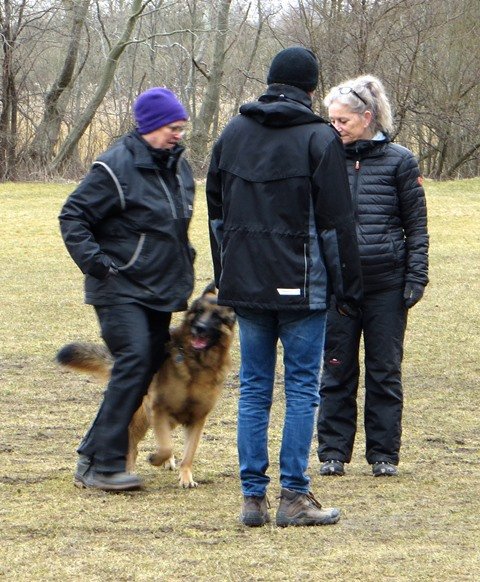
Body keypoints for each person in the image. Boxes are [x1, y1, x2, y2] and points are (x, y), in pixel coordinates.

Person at [206, 47, 363, 527]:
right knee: (301, 390)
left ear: (270, 81)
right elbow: (337, 223)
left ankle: (252, 498)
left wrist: (227, 275)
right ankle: (293, 495)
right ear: (311, 88)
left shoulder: (232, 133)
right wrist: (348, 288)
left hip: (246, 284)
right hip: (302, 285)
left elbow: (216, 217)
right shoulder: (320, 137)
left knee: (254, 389)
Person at [59, 87, 195, 491]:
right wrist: (98, 263)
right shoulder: (115, 166)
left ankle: (91, 454)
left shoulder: (178, 168)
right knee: (134, 360)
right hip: (118, 286)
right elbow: (73, 216)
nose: (178, 135)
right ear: (150, 125)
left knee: (142, 369)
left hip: (159, 288)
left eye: (181, 128)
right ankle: (105, 464)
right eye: (172, 127)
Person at [316, 75, 429, 478]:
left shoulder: (400, 161)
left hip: (387, 286)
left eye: (343, 120)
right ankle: (332, 452)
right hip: (338, 287)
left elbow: (416, 226)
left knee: (384, 371)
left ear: (367, 118)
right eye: (332, 120)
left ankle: (383, 454)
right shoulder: (324, 157)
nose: (336, 127)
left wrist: (416, 277)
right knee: (336, 370)